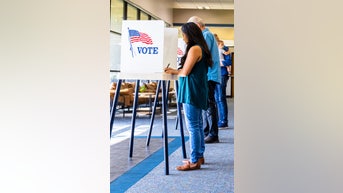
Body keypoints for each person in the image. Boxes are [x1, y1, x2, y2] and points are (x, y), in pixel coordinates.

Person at [164, 22, 212, 171]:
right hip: (197, 88)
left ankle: (194, 161)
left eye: (183, 33)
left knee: (193, 126)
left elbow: (185, 72)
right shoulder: (200, 48)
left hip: (192, 90)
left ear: (190, 34)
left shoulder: (195, 49)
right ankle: (199, 156)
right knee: (196, 124)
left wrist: (172, 71)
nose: (182, 37)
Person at [187, 16, 221, 143]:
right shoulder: (208, 35)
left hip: (208, 75)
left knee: (208, 105)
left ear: (197, 26)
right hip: (210, 74)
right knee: (207, 104)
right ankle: (208, 131)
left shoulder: (205, 36)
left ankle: (212, 133)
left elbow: (200, 55)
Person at [215, 39, 232, 128]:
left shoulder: (225, 49)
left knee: (221, 98)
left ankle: (223, 121)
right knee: (216, 99)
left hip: (222, 75)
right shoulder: (211, 49)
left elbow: (229, 62)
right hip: (213, 75)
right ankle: (219, 120)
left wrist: (218, 62)